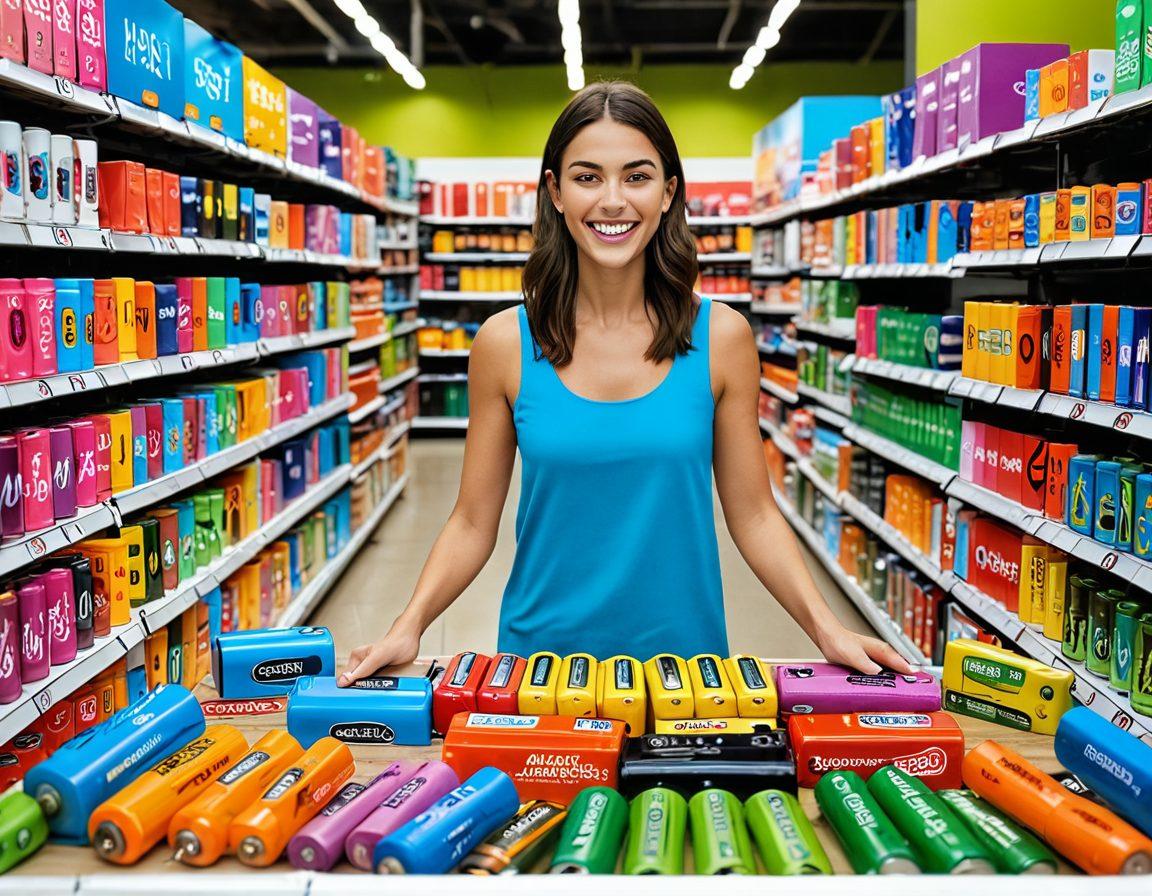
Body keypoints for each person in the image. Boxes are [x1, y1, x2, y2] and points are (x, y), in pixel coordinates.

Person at [339, 81, 913, 685]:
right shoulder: (506, 343)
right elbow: (472, 521)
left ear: (668, 193)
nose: (612, 200)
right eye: (588, 177)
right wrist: (410, 623)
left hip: (687, 680)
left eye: (636, 177)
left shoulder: (721, 338)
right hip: (541, 674)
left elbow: (755, 515)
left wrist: (827, 627)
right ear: (555, 192)